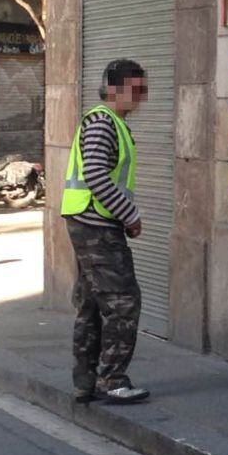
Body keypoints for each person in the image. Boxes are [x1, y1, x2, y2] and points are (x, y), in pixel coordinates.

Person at [61, 59, 150, 404]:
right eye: (135, 89)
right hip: (96, 224)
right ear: (112, 88)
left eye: (144, 90)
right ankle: (112, 379)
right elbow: (97, 174)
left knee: (92, 302)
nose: (141, 97)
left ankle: (85, 381)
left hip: (88, 221)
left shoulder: (108, 122)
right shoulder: (103, 122)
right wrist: (130, 215)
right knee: (123, 300)